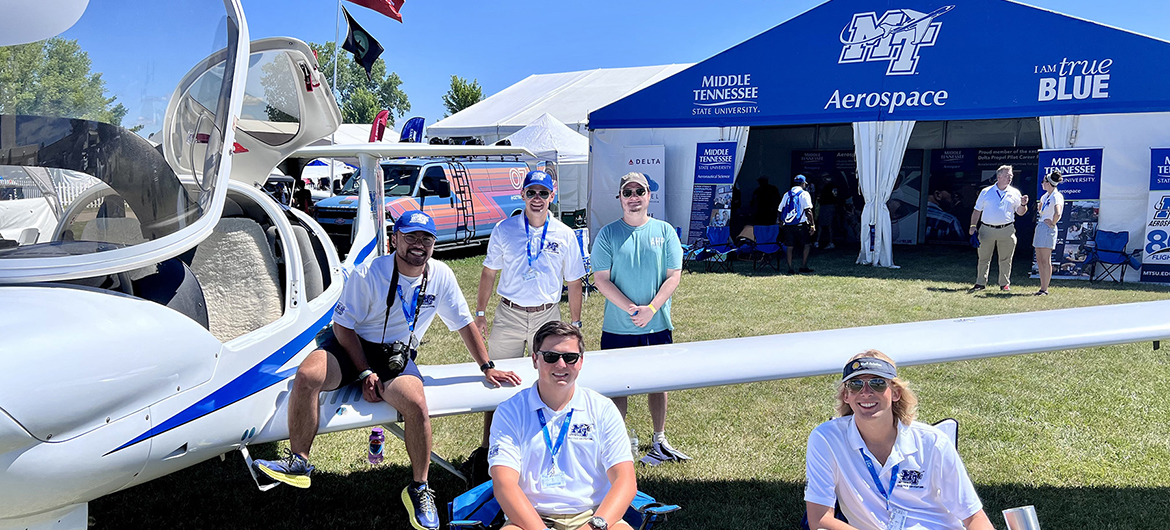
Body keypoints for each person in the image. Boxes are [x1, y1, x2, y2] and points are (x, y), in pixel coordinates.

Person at [252, 210, 519, 530]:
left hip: (395, 354)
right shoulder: (369, 273)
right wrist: (365, 372)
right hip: (352, 345)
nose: (419, 244)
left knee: (416, 403)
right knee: (308, 374)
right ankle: (299, 461)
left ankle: (420, 488)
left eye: (426, 238)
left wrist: (487, 367)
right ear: (395, 240)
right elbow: (343, 327)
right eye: (411, 236)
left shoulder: (441, 275)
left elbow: (464, 324)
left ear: (434, 244)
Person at [466, 170, 586, 485]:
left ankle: (545, 449)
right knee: (496, 381)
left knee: (551, 381)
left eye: (543, 193)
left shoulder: (564, 234)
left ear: (552, 197)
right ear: (522, 195)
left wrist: (575, 324)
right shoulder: (504, 229)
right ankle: (488, 450)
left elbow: (574, 282)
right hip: (509, 314)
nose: (537, 199)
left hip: (548, 317)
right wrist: (481, 313)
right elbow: (489, 272)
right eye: (531, 192)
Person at [805, 350, 996, 530]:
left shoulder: (933, 442)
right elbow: (820, 519)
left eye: (877, 383)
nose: (866, 392)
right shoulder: (826, 439)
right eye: (855, 385)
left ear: (895, 392)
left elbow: (975, 517)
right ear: (846, 395)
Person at [489, 321, 637, 530]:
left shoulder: (602, 408)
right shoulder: (510, 411)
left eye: (570, 357)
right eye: (551, 357)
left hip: (593, 516)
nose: (561, 365)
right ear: (535, 359)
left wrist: (594, 526)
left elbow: (625, 480)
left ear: (581, 361)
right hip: (531, 518)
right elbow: (504, 484)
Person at [592, 172, 688, 466]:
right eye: (627, 192)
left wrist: (652, 309)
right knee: (617, 386)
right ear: (620, 198)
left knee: (658, 383)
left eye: (639, 191)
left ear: (649, 195)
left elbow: (674, 275)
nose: (633, 197)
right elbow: (601, 279)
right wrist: (633, 308)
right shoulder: (607, 234)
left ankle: (659, 440)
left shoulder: (665, 231)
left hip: (657, 325)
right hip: (617, 327)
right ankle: (616, 443)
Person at [967, 165, 1028, 292]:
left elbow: (1020, 212)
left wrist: (1023, 204)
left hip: (1007, 229)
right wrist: (973, 226)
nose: (1009, 178)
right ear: (999, 177)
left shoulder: (1015, 192)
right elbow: (977, 210)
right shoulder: (986, 191)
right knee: (983, 258)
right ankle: (980, 283)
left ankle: (1004, 284)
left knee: (1006, 259)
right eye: (1007, 175)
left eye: (1011, 176)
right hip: (987, 228)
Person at [1033, 171, 1065, 296]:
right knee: (1039, 259)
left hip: (1047, 228)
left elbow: (1058, 212)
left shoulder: (1057, 196)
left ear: (1048, 183)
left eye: (1044, 181)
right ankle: (1042, 286)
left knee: (1045, 260)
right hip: (1041, 226)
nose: (1042, 183)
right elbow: (1042, 210)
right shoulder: (1045, 196)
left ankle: (1044, 289)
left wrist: (1053, 222)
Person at [778, 174, 816, 275]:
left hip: (788, 225)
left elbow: (780, 209)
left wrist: (780, 221)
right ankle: (803, 266)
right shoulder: (804, 194)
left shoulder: (787, 194)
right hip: (800, 224)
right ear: (803, 184)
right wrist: (812, 225)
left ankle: (790, 268)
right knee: (807, 244)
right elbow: (808, 210)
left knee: (790, 246)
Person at [815, 173, 840, 250]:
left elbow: (835, 195)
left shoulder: (832, 186)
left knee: (830, 224)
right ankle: (817, 241)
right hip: (823, 206)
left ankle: (831, 242)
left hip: (829, 206)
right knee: (820, 224)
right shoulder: (822, 186)